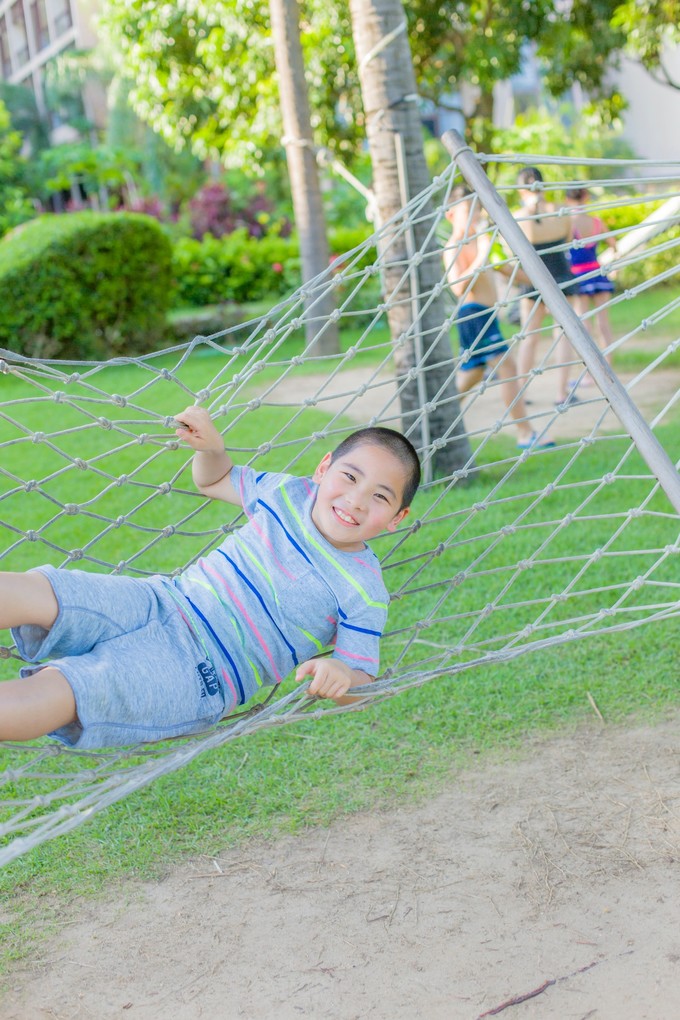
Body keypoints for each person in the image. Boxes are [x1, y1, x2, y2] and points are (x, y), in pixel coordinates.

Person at [0, 409, 420, 749]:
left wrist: (343, 676)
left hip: (203, 670)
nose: (356, 499)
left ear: (397, 519)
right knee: (46, 591)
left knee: (66, 690)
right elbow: (215, 479)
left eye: (381, 496)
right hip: (164, 599)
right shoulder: (287, 493)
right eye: (350, 476)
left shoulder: (364, 591)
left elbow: (362, 683)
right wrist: (212, 449)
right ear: (323, 468)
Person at [443, 187, 553, 449]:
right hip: (472, 316)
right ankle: (525, 433)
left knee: (470, 376)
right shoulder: (453, 247)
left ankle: (435, 420)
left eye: (478, 210)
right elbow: (457, 286)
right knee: (507, 368)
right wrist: (481, 254)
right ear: (450, 215)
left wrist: (545, 283)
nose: (475, 215)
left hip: (486, 315)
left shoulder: (480, 242)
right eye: (468, 211)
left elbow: (502, 269)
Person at [515, 167, 577, 408]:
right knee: (562, 336)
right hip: (561, 276)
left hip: (533, 279)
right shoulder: (562, 213)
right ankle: (562, 393)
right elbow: (568, 238)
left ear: (521, 189)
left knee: (529, 338)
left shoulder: (518, 217)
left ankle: (521, 394)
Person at [565, 186, 616, 385]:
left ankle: (590, 374)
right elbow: (614, 245)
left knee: (584, 326)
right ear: (586, 196)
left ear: (567, 199)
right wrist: (611, 265)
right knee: (603, 324)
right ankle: (608, 370)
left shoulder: (569, 223)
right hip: (598, 273)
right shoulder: (596, 222)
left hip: (578, 277)